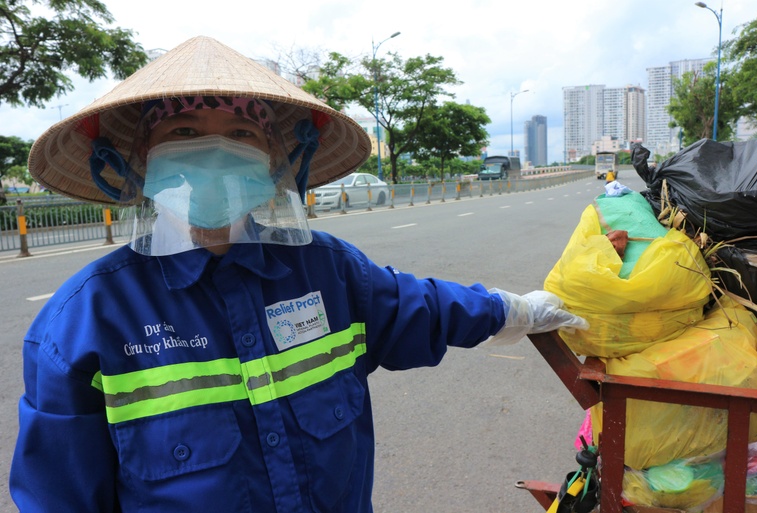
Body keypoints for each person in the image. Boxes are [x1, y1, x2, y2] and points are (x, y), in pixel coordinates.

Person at [10, 36, 587, 513]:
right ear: (142, 163)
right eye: (184, 133)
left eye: (241, 135)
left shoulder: (327, 270)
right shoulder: (84, 322)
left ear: (274, 162)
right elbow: (58, 497)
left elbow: (425, 307)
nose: (214, 153)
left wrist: (519, 309)